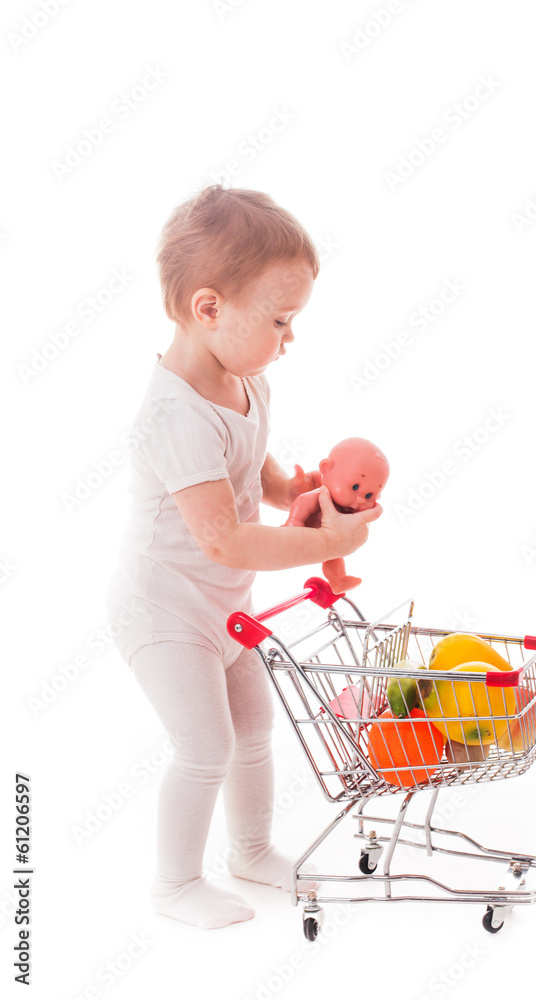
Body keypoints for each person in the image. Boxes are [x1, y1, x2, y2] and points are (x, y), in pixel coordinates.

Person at [104, 185, 383, 930]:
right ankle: (173, 886)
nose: (291, 338)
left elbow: (255, 471)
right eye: (281, 320)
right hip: (163, 612)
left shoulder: (244, 379)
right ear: (209, 308)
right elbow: (223, 537)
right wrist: (326, 545)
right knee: (205, 747)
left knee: (255, 730)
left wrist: (306, 491)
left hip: (224, 608)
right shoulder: (173, 416)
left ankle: (252, 850)